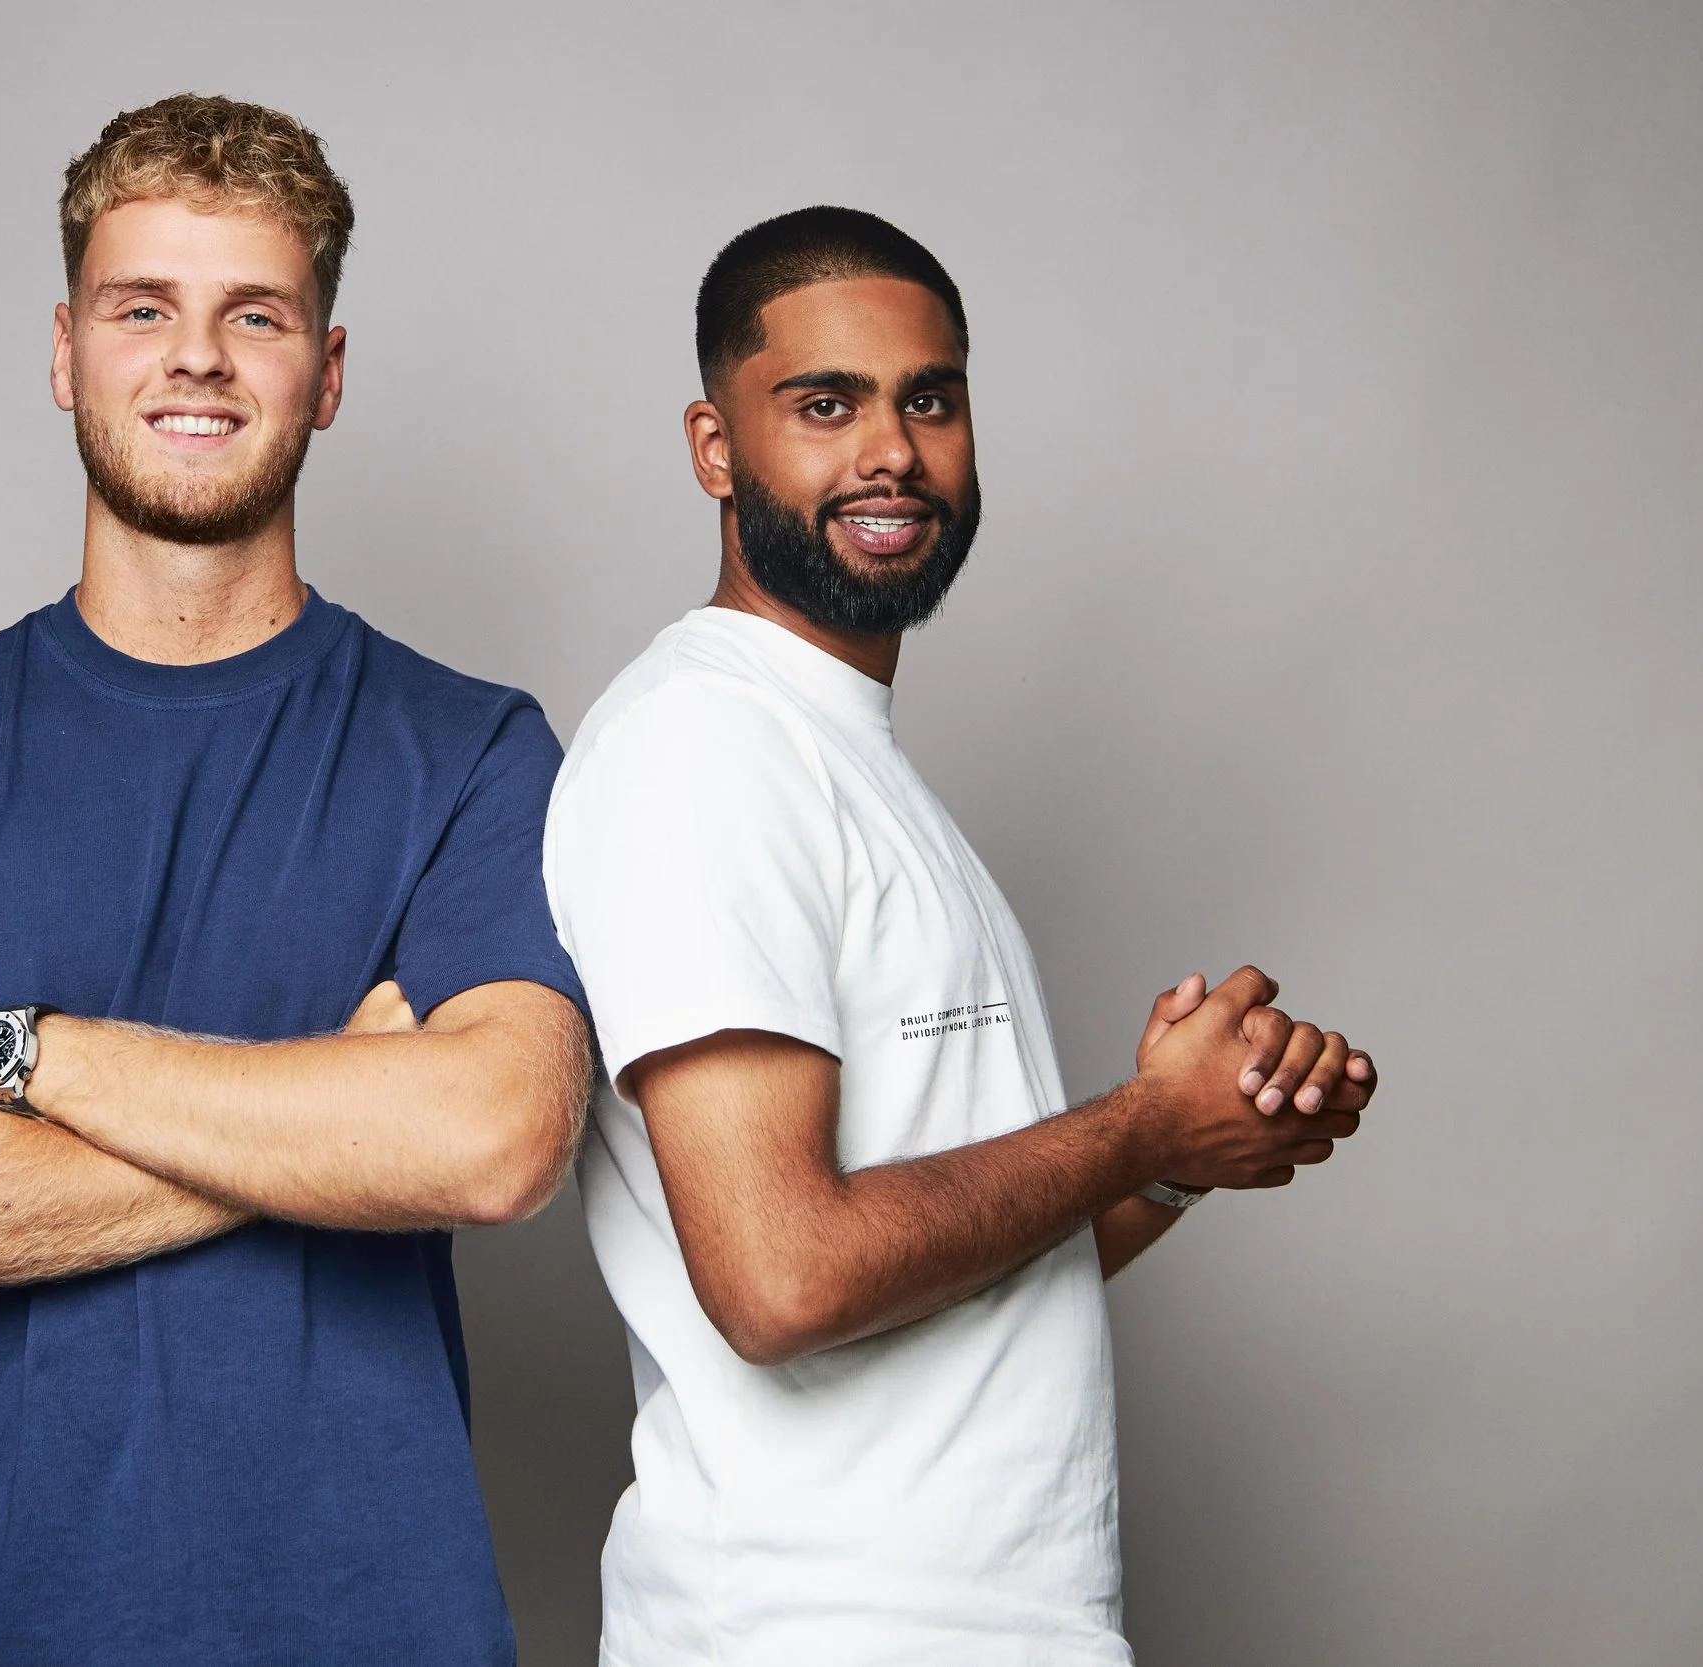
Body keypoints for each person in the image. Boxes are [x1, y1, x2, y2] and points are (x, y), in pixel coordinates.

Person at [0, 94, 590, 1667]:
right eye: (142, 310)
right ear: (66, 354)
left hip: (363, 1625)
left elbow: (494, 1138)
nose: (197, 358)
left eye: (255, 314)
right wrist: (330, 1124)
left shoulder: (470, 751)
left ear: (327, 373)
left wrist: (32, 1055)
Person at [541, 206, 1379, 1665]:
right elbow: (783, 1275)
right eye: (825, 405)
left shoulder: (839, 755)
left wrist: (1179, 1151)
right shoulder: (704, 750)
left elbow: (958, 1282)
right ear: (715, 448)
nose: (893, 452)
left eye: (930, 401)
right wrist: (1137, 1122)